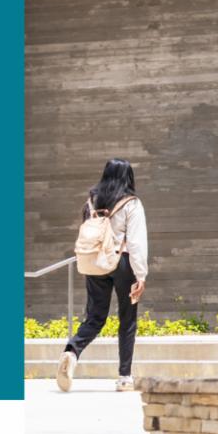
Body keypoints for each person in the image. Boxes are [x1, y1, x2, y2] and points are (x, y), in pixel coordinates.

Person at [57, 158, 148, 393]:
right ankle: (124, 377)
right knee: (127, 320)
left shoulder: (92, 201)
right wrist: (141, 275)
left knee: (95, 317)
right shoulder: (131, 203)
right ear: (127, 177)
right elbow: (137, 242)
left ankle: (72, 351)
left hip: (96, 262)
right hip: (124, 263)